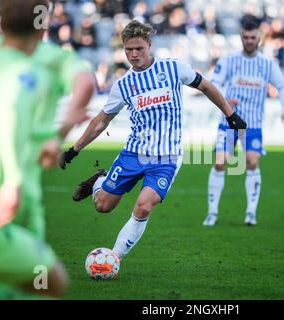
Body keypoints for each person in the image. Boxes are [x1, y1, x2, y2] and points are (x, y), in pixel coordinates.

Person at [59, 20, 246, 261]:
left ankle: (113, 258)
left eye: (139, 49)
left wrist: (231, 115)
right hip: (133, 155)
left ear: (149, 45)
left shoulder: (173, 68)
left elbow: (206, 87)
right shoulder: (124, 85)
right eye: (128, 49)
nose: (134, 54)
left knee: (143, 206)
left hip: (166, 158)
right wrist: (74, 150)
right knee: (102, 206)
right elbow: (101, 121)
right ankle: (100, 180)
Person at [0, 1, 96, 300]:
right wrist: (60, 132)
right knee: (50, 282)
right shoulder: (26, 69)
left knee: (26, 285)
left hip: (25, 201)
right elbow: (10, 113)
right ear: (43, 24)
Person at [202, 21, 284, 227]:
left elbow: (282, 87)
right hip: (229, 122)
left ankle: (251, 212)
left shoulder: (268, 64)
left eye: (253, 37)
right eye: (246, 37)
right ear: (241, 38)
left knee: (251, 162)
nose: (249, 41)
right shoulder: (229, 60)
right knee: (220, 162)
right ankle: (212, 213)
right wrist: (224, 100)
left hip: (253, 124)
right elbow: (213, 86)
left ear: (259, 39)